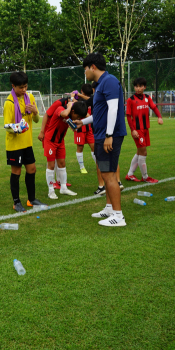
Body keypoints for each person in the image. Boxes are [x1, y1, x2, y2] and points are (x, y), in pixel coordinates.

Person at [76, 52, 127, 227]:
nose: (85, 73)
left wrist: (109, 135)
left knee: (108, 173)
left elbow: (113, 109)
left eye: (85, 69)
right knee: (105, 172)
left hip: (108, 136)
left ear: (93, 67)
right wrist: (82, 122)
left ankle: (118, 216)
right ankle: (109, 208)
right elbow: (99, 114)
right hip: (102, 135)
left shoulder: (110, 81)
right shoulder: (101, 84)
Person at [4, 71, 45, 212]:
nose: (24, 90)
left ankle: (31, 199)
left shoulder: (30, 97)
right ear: (13, 86)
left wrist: (35, 111)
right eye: (21, 87)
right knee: (16, 172)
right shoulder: (9, 103)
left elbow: (36, 120)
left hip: (27, 143)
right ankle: (16, 202)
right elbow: (7, 126)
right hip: (14, 144)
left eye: (25, 86)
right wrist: (17, 128)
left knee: (32, 169)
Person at [44, 99, 87, 199]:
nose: (78, 118)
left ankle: (63, 188)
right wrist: (69, 106)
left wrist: (75, 124)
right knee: (51, 165)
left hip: (60, 142)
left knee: (62, 164)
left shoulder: (70, 116)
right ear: (72, 111)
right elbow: (64, 114)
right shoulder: (61, 109)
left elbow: (74, 127)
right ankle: (51, 191)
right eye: (78, 115)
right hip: (50, 141)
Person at [125, 77, 163, 183]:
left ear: (144, 87)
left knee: (139, 152)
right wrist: (133, 130)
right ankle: (145, 177)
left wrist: (159, 116)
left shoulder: (147, 97)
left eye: (140, 86)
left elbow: (154, 107)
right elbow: (128, 116)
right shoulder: (130, 100)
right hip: (137, 130)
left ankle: (130, 174)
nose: (138, 88)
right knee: (143, 152)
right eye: (136, 86)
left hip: (146, 129)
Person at [38, 95, 73, 190]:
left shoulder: (68, 107)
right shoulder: (59, 104)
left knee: (60, 160)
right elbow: (46, 114)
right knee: (51, 160)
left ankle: (60, 181)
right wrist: (42, 131)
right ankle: (52, 182)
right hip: (50, 132)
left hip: (58, 135)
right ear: (69, 99)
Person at [74, 84, 96, 175]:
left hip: (89, 127)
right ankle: (82, 167)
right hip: (80, 127)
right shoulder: (78, 101)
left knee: (94, 147)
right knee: (80, 147)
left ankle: (98, 164)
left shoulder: (91, 100)